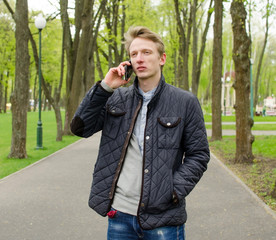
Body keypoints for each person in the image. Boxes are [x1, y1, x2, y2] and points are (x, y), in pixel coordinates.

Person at [70, 26, 210, 240]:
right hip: (120, 215)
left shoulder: (185, 102)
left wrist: (172, 191)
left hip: (164, 217)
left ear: (161, 58)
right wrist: (106, 87)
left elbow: (199, 154)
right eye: (134, 54)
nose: (139, 59)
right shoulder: (116, 99)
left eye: (146, 52)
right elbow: (80, 128)